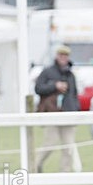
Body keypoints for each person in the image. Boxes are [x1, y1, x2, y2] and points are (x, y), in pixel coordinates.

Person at [34, 45, 82, 173]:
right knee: (50, 143)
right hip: (52, 113)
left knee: (68, 146)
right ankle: (35, 165)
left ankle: (65, 172)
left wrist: (76, 110)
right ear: (57, 56)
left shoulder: (71, 75)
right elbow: (38, 89)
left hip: (68, 113)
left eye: (65, 56)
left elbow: (74, 94)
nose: (63, 58)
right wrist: (54, 85)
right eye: (61, 55)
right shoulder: (47, 72)